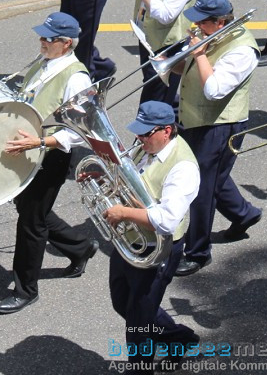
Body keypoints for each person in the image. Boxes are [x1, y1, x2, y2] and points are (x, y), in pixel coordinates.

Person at [0, 12, 98, 314]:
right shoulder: (44, 64)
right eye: (41, 36)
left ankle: (25, 289)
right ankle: (80, 247)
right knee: (28, 207)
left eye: (48, 38)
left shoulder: (76, 78)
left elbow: (83, 130)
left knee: (30, 222)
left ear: (66, 44)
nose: (41, 41)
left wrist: (38, 142)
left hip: (50, 155)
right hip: (30, 150)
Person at [171, 0, 261, 277]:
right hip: (196, 118)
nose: (197, 27)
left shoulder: (242, 50)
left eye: (203, 23)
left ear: (221, 21)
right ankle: (244, 214)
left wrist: (198, 53)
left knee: (201, 189)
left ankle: (198, 252)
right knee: (213, 178)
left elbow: (215, 89)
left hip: (221, 125)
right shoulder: (213, 34)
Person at [106, 101, 200, 367]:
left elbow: (167, 220)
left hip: (158, 249)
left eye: (146, 133)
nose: (139, 138)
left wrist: (122, 213)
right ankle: (179, 339)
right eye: (138, 132)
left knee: (139, 323)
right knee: (123, 303)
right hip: (132, 241)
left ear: (166, 131)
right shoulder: (145, 147)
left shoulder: (183, 168)